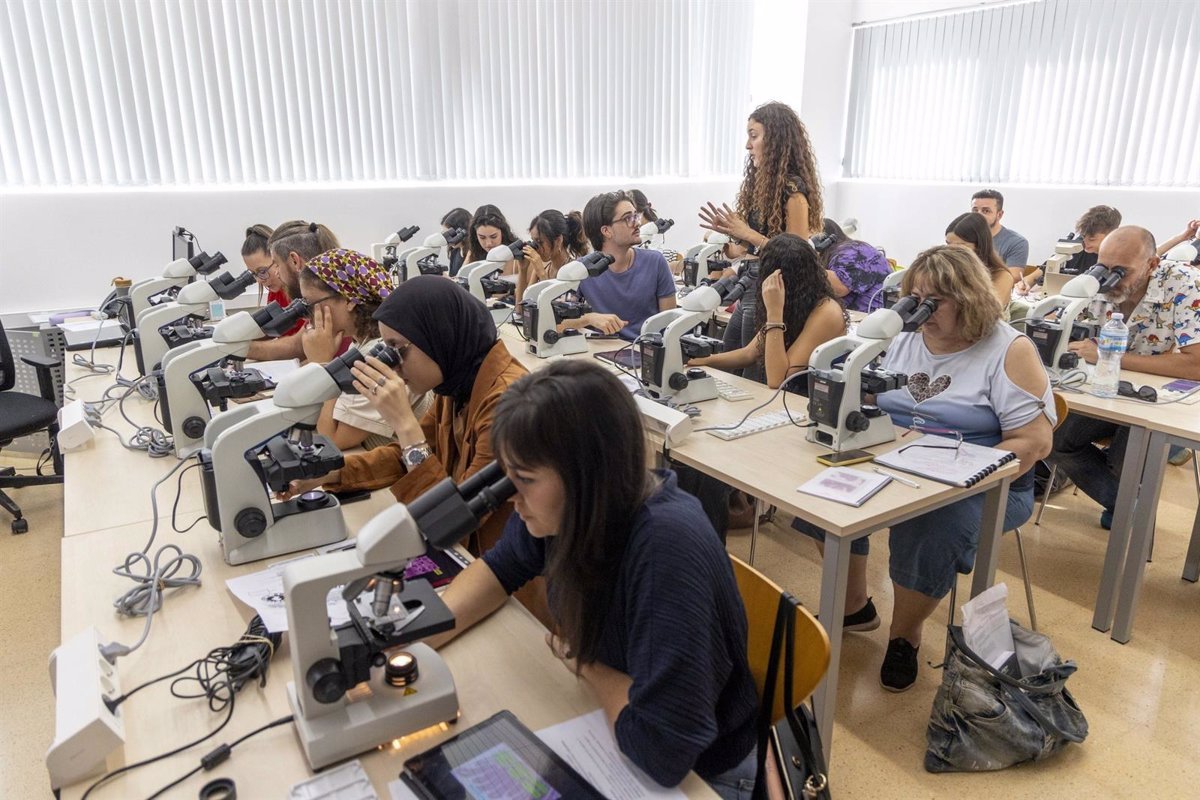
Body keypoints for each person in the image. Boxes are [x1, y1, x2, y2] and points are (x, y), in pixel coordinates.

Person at [430, 360, 758, 794]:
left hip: (703, 777)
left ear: (585, 475)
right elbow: (497, 570)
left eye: (524, 480)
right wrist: (414, 642)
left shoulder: (665, 547)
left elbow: (662, 749)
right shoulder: (571, 511)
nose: (515, 500)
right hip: (612, 719)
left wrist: (582, 660)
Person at [795, 245, 1055, 692]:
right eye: (915, 298)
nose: (922, 311)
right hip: (898, 462)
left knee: (932, 524)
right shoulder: (902, 335)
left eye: (936, 301)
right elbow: (872, 397)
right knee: (823, 491)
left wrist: (951, 466)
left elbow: (1034, 442)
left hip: (988, 484)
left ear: (970, 298)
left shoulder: (1008, 349)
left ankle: (905, 635)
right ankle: (854, 605)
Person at [1047, 226, 1200, 528]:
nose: (1109, 278)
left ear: (1152, 265)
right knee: (1054, 437)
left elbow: (1196, 365)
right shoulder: (1100, 285)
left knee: (1125, 460)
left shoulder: (1184, 285)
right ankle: (1127, 504)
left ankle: (1125, 500)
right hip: (1109, 389)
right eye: (1104, 267)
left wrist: (1108, 355)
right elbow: (1060, 322)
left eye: (1121, 271)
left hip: (1163, 400)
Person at [698, 101, 825, 357]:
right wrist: (728, 237)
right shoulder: (762, 190)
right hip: (750, 285)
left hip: (771, 294)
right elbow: (743, 251)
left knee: (749, 372)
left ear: (776, 140)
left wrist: (745, 232)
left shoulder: (793, 192)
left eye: (753, 136)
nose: (747, 145)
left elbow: (796, 257)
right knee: (726, 355)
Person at [298, 249, 430, 450]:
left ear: (349, 299)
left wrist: (321, 364)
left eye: (310, 305)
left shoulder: (379, 354)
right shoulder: (361, 341)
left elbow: (330, 441)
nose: (307, 316)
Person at [690, 234, 845, 387]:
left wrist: (774, 312)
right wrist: (702, 361)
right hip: (789, 399)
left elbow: (778, 379)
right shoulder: (797, 302)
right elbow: (749, 353)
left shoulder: (826, 311)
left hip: (808, 401)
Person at [577, 190, 677, 340]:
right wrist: (588, 318)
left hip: (644, 353)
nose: (637, 223)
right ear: (606, 231)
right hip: (601, 353)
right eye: (627, 218)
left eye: (635, 215)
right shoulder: (581, 270)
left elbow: (670, 327)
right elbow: (559, 323)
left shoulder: (655, 262)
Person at [247, 220, 340, 361]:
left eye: (277, 264)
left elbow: (299, 347)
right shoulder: (320, 294)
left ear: (295, 261)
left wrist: (238, 348)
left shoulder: (326, 302)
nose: (277, 273)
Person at [1016, 205, 1123, 294]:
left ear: (1112, 235)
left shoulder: (1122, 260)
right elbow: (1041, 271)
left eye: (1092, 239)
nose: (1085, 243)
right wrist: (1025, 283)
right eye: (1083, 236)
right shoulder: (1079, 247)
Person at [514, 209, 588, 308]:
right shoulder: (543, 267)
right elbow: (521, 309)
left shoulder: (573, 271)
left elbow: (556, 313)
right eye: (533, 241)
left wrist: (542, 275)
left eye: (540, 242)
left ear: (558, 240)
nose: (536, 247)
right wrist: (522, 270)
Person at [243, 224, 306, 340]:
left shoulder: (305, 292)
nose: (259, 280)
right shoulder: (275, 291)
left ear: (277, 259)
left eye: (262, 271)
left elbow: (298, 345)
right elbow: (271, 331)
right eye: (253, 273)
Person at [817, 218, 892, 313]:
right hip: (876, 314)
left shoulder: (850, 253)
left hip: (867, 316)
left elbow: (839, 288)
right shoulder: (854, 247)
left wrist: (806, 258)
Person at [945, 212, 1016, 305]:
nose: (951, 252)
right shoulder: (947, 269)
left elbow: (988, 313)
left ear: (979, 245)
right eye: (948, 244)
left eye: (960, 246)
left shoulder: (1002, 276)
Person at [971, 189, 1028, 275]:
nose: (978, 215)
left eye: (986, 211)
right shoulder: (962, 237)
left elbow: (1013, 277)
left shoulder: (1016, 242)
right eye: (975, 210)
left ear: (999, 215)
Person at [465, 204, 519, 276]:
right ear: (475, 235)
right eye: (482, 237)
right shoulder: (474, 252)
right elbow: (461, 278)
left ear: (502, 232)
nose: (488, 243)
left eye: (493, 237)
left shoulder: (516, 256)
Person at [441, 207, 472, 277]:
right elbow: (452, 276)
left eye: (449, 234)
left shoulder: (471, 253)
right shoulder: (454, 251)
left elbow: (460, 278)